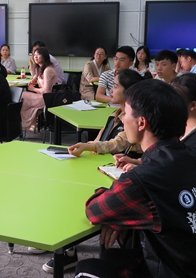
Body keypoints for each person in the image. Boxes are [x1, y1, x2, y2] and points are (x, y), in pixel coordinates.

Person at [75, 79, 196, 278]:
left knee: (87, 269)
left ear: (141, 122)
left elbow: (95, 211)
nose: (122, 120)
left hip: (186, 271)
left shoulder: (144, 179)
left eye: (126, 113)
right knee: (117, 253)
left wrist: (120, 211)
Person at [37, 69, 143, 274]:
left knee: (87, 204)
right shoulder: (115, 115)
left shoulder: (133, 121)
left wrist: (89, 146)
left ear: (130, 93)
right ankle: (62, 245)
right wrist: (89, 146)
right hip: (98, 170)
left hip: (113, 177)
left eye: (116, 86)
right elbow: (100, 140)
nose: (110, 89)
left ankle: (67, 251)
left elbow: (116, 143)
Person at [21, 47, 58, 133]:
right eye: (34, 55)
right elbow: (33, 80)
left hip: (47, 98)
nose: (35, 57)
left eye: (38, 55)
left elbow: (47, 91)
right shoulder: (41, 69)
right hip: (42, 96)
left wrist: (33, 88)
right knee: (21, 95)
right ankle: (27, 125)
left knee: (21, 96)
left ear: (44, 56)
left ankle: (26, 125)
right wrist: (33, 80)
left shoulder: (48, 70)